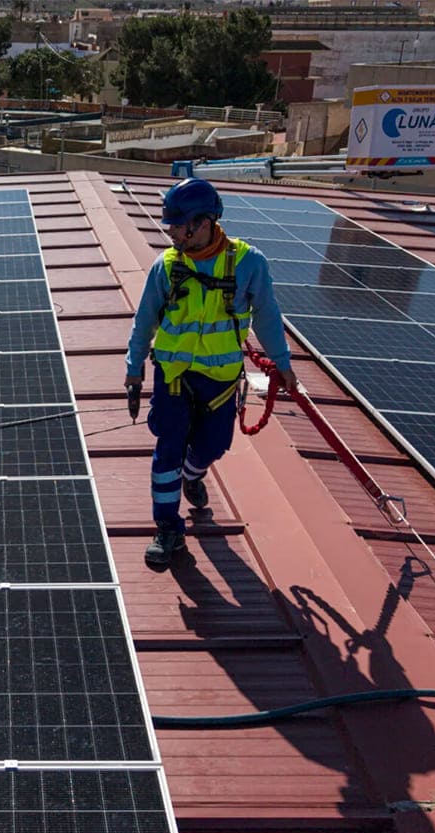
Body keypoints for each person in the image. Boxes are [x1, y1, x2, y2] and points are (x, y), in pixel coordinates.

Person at [125, 179, 299, 567]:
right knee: (167, 449)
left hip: (219, 380)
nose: (170, 231)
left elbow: (268, 317)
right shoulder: (166, 266)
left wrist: (283, 364)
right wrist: (133, 370)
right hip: (173, 375)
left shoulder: (248, 263)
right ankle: (168, 528)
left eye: (177, 224)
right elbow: (145, 321)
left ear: (202, 222)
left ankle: (193, 473)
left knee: (212, 446)